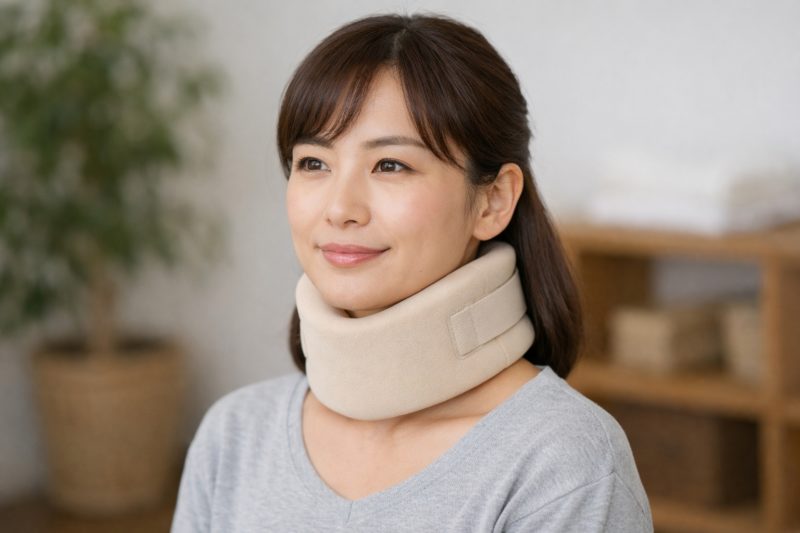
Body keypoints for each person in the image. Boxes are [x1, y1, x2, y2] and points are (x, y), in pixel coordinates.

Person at [171, 12, 653, 533]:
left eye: (390, 165)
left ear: (493, 200)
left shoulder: (563, 467)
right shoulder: (234, 436)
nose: (340, 208)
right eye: (313, 163)